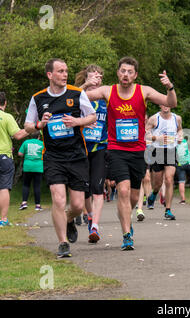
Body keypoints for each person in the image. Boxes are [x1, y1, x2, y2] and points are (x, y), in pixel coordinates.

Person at [86, 56, 177, 251]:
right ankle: (127, 235)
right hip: (116, 149)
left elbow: (172, 102)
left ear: (135, 75)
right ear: (118, 73)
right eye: (122, 71)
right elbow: (79, 98)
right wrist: (87, 84)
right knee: (124, 191)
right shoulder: (108, 91)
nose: (125, 74)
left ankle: (127, 219)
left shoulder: (144, 91)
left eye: (129, 72)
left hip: (137, 151)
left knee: (134, 197)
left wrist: (170, 87)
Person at [25, 58, 96, 258]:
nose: (65, 74)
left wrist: (77, 121)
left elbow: (91, 116)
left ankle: (67, 219)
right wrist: (40, 125)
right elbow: (28, 125)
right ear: (50, 75)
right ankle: (63, 243)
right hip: (53, 157)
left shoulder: (77, 93)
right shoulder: (38, 98)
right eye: (60, 71)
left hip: (76, 155)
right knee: (58, 199)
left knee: (77, 205)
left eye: (66, 71)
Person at [74, 64, 108, 244]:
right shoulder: (80, 96)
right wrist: (86, 85)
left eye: (99, 77)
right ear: (86, 77)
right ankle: (89, 217)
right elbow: (67, 100)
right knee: (84, 190)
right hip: (81, 149)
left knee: (97, 189)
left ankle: (95, 225)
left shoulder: (106, 98)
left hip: (100, 148)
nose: (96, 80)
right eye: (92, 76)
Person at [145, 104, 183, 220]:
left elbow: (180, 129)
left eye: (168, 104)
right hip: (158, 151)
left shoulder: (177, 118)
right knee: (157, 183)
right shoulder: (154, 118)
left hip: (171, 150)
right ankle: (154, 194)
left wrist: (180, 136)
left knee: (169, 179)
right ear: (160, 105)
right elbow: (146, 132)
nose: (166, 106)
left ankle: (168, 210)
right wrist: (156, 138)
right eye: (163, 104)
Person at [0, 92, 29, 227]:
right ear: (5, 103)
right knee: (4, 187)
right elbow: (18, 135)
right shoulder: (6, 117)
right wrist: (33, 127)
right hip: (3, 156)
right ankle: (3, 219)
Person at [18, 132, 44, 211]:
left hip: (28, 166)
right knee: (37, 186)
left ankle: (24, 203)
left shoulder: (26, 142)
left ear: (31, 136)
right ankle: (38, 205)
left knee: (26, 185)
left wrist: (26, 154)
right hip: (38, 167)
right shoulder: (42, 143)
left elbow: (20, 154)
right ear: (38, 136)